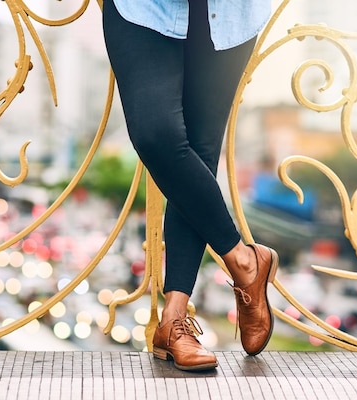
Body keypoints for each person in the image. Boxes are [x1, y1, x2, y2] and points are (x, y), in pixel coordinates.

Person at [102, 0, 277, 371]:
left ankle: (172, 323)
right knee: (154, 134)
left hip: (227, 12)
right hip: (142, 8)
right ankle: (244, 262)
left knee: (200, 153)